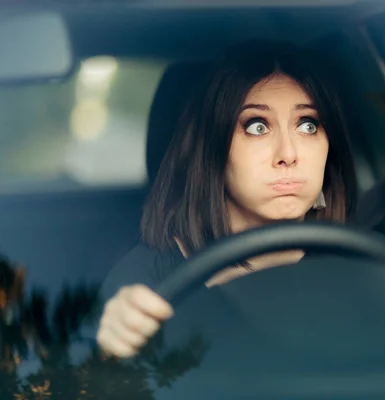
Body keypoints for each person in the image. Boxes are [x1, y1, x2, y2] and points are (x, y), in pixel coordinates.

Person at [96, 41, 357, 358]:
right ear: (212, 150)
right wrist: (110, 347)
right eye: (257, 127)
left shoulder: (367, 268)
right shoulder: (143, 283)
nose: (288, 154)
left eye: (308, 125)